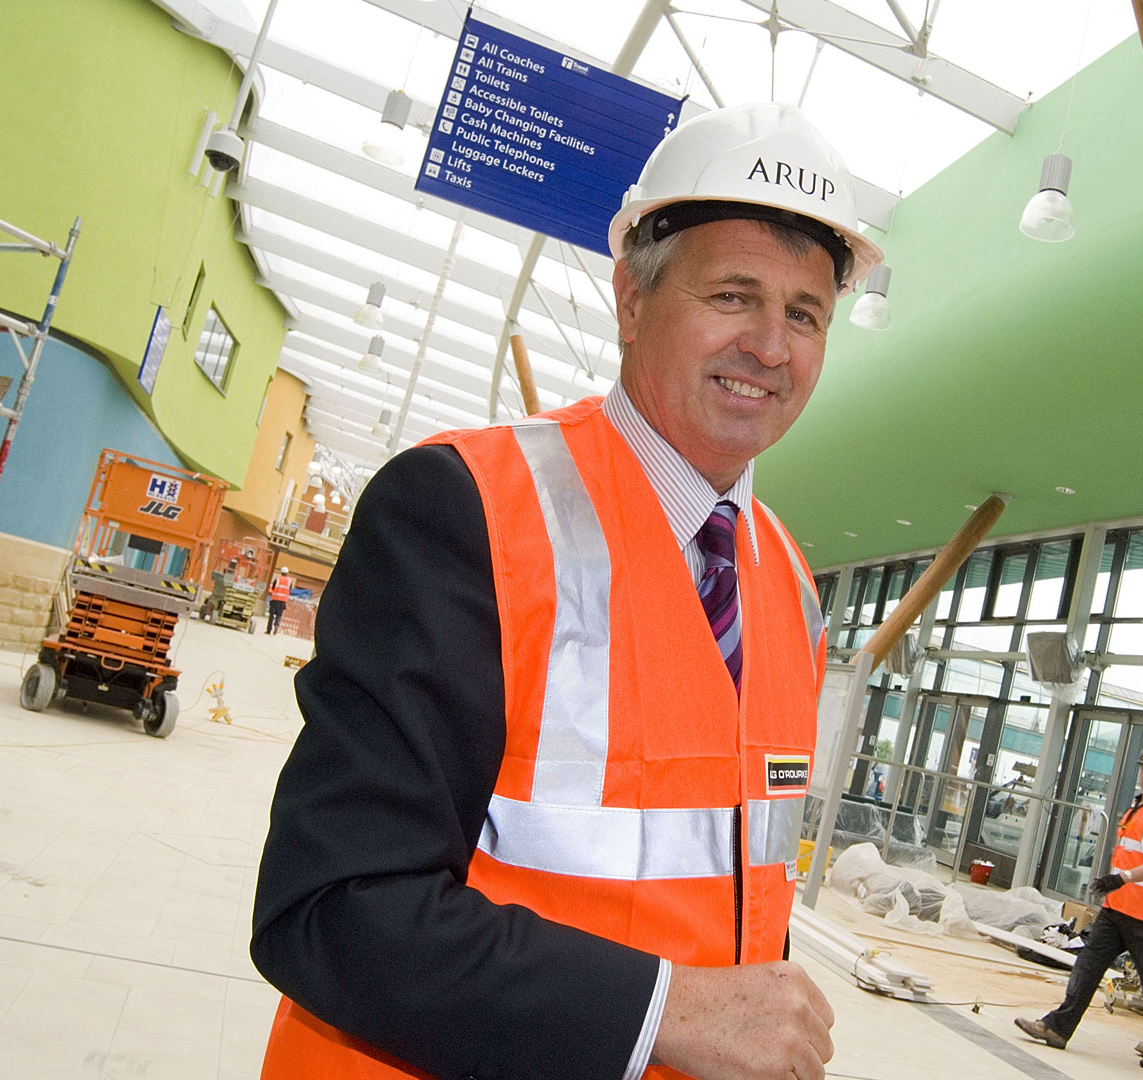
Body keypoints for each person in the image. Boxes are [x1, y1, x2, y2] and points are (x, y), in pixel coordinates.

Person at [248, 101, 884, 1080]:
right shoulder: (464, 510)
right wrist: (662, 1011)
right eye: (733, 296)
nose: (770, 345)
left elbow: (739, 891)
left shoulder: (788, 583)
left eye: (805, 314)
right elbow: (332, 907)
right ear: (631, 300)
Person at [1017, 743, 1143, 1073]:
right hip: (1118, 909)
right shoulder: (1139, 807)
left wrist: (1123, 878)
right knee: (1087, 966)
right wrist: (1118, 884)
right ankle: (1057, 1027)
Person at [265, 566, 292, 634]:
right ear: (287, 573)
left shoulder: (277, 579)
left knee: (271, 615)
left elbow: (273, 588)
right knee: (279, 615)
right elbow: (289, 589)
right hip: (282, 601)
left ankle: (269, 630)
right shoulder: (289, 581)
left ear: (281, 572)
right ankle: (277, 625)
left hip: (275, 600)